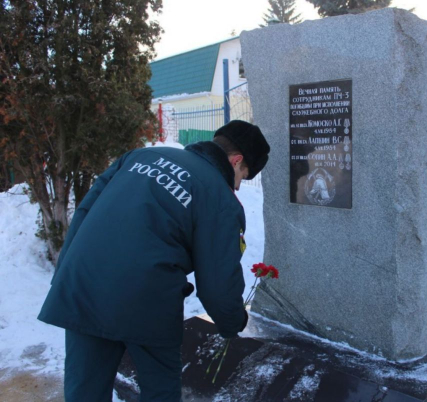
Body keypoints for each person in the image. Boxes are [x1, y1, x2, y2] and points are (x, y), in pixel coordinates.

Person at [38, 120, 270, 402]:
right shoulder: (220, 198)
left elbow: (86, 211)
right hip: (146, 300)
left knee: (84, 389)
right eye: (243, 177)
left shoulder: (139, 156)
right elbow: (218, 280)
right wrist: (233, 321)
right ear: (237, 161)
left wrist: (65, 273)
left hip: (83, 286)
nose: (237, 186)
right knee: (160, 390)